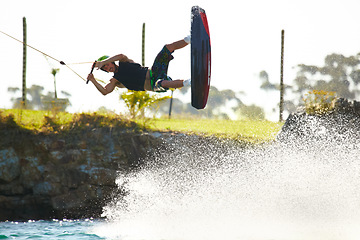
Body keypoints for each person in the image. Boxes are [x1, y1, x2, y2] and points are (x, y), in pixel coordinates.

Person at [87, 36, 191, 95]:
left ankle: (189, 39)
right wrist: (93, 80)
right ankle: (189, 82)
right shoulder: (115, 80)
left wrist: (102, 62)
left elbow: (120, 55)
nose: (107, 67)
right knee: (163, 83)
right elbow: (105, 91)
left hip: (155, 71)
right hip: (154, 85)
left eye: (107, 64)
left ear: (111, 61)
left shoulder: (125, 62)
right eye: (105, 68)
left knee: (167, 48)